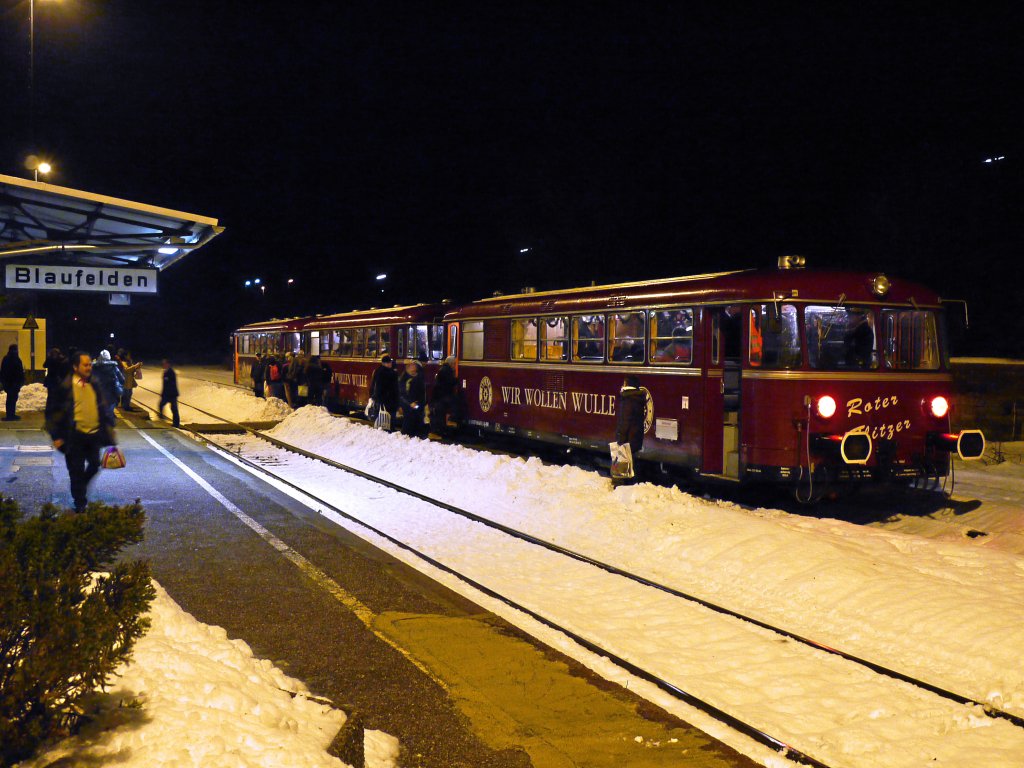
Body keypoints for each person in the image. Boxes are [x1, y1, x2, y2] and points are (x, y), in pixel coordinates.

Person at [47, 351, 117, 513]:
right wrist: (56, 436)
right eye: (85, 364)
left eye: (90, 364)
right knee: (76, 470)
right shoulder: (65, 387)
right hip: (74, 436)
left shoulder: (94, 384)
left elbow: (102, 407)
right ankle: (80, 502)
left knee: (94, 465)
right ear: (75, 366)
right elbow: (52, 413)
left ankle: (80, 487)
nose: (89, 367)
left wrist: (109, 426)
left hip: (93, 434)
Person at [613, 375, 646, 486]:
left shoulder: (628, 399)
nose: (622, 385)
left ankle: (622, 486)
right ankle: (631, 483)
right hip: (636, 437)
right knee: (632, 464)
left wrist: (620, 440)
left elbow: (624, 421)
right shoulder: (638, 398)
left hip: (627, 439)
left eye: (624, 383)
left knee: (621, 466)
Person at [428, 355, 459, 440]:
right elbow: (450, 382)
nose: (455, 366)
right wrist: (457, 380)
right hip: (441, 397)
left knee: (439, 414)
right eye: (454, 364)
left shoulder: (443, 369)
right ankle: (436, 432)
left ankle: (439, 431)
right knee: (440, 414)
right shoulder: (447, 371)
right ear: (451, 363)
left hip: (438, 396)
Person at [91, 349, 124, 420]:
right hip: (111, 391)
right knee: (111, 406)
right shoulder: (113, 367)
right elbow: (121, 378)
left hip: (98, 391)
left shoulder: (95, 367)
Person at [369, 354, 399, 429]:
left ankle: (384, 429)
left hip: (386, 399)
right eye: (388, 363)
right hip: (387, 399)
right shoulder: (385, 373)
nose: (390, 364)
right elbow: (381, 387)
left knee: (384, 417)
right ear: (383, 363)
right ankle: (388, 430)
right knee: (389, 418)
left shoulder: (379, 371)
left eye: (390, 362)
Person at [398, 360, 425, 436]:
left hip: (418, 403)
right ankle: (406, 437)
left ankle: (416, 438)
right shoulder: (405, 377)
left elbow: (422, 392)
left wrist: (423, 403)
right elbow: (402, 393)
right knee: (409, 421)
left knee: (418, 420)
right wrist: (410, 402)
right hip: (409, 404)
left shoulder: (419, 377)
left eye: (414, 365)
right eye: (411, 365)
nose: (412, 366)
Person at [0, 344, 26, 421]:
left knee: (11, 398)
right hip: (13, 382)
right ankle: (10, 415)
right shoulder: (15, 359)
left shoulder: (7, 358)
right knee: (12, 399)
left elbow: (3, 371)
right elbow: (18, 371)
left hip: (10, 382)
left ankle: (10, 414)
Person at [160, 358, 180, 427]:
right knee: (162, 405)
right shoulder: (166, 371)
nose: (162, 365)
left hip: (171, 394)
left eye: (164, 364)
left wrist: (165, 394)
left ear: (168, 364)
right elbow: (165, 385)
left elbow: (171, 384)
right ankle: (162, 418)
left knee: (174, 409)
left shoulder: (171, 372)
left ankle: (176, 424)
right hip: (167, 394)